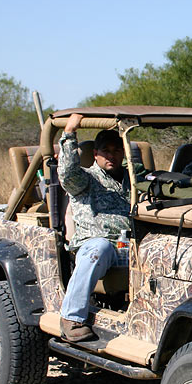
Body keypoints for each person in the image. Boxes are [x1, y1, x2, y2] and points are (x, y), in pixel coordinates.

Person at [57, 113, 139, 342]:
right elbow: (66, 174)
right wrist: (70, 134)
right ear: (96, 154)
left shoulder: (132, 180)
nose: (111, 156)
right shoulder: (85, 179)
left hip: (130, 244)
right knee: (99, 248)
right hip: (96, 246)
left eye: (116, 151)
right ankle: (71, 317)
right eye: (106, 151)